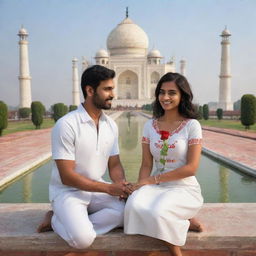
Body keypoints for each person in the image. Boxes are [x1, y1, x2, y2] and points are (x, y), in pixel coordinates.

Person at [40, 65, 132, 249]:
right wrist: (108, 189)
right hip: (68, 192)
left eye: (112, 88)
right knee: (82, 240)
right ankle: (57, 219)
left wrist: (121, 185)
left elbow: (114, 164)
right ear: (90, 91)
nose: (113, 94)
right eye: (107, 89)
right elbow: (67, 176)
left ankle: (73, 221)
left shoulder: (110, 125)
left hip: (95, 189)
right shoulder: (67, 124)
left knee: (130, 215)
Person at [124, 72, 204, 256]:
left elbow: (191, 168)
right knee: (133, 205)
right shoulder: (150, 125)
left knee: (158, 211)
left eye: (172, 93)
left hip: (183, 187)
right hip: (157, 188)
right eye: (162, 92)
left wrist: (152, 180)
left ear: (182, 95)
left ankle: (176, 252)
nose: (165, 97)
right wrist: (138, 186)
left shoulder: (191, 126)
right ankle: (183, 221)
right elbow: (146, 163)